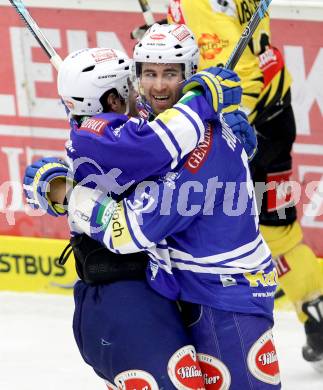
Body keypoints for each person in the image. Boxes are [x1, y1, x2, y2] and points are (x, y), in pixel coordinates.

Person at [66, 23, 281, 389]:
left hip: (224, 299)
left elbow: (126, 231)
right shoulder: (165, 123)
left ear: (191, 74)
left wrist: (76, 201)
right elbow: (127, 145)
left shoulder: (195, 154)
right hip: (194, 291)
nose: (160, 85)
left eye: (171, 73)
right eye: (149, 73)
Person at [24, 35, 244, 388]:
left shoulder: (118, 124)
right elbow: (155, 144)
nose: (139, 92)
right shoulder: (102, 134)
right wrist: (201, 100)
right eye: (129, 85)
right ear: (110, 98)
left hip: (152, 292)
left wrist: (228, 131)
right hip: (118, 297)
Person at [166, 0, 323, 370]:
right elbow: (223, 45)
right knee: (278, 229)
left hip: (249, 127)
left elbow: (242, 68)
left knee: (246, 228)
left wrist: (229, 120)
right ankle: (316, 310)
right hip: (272, 114)